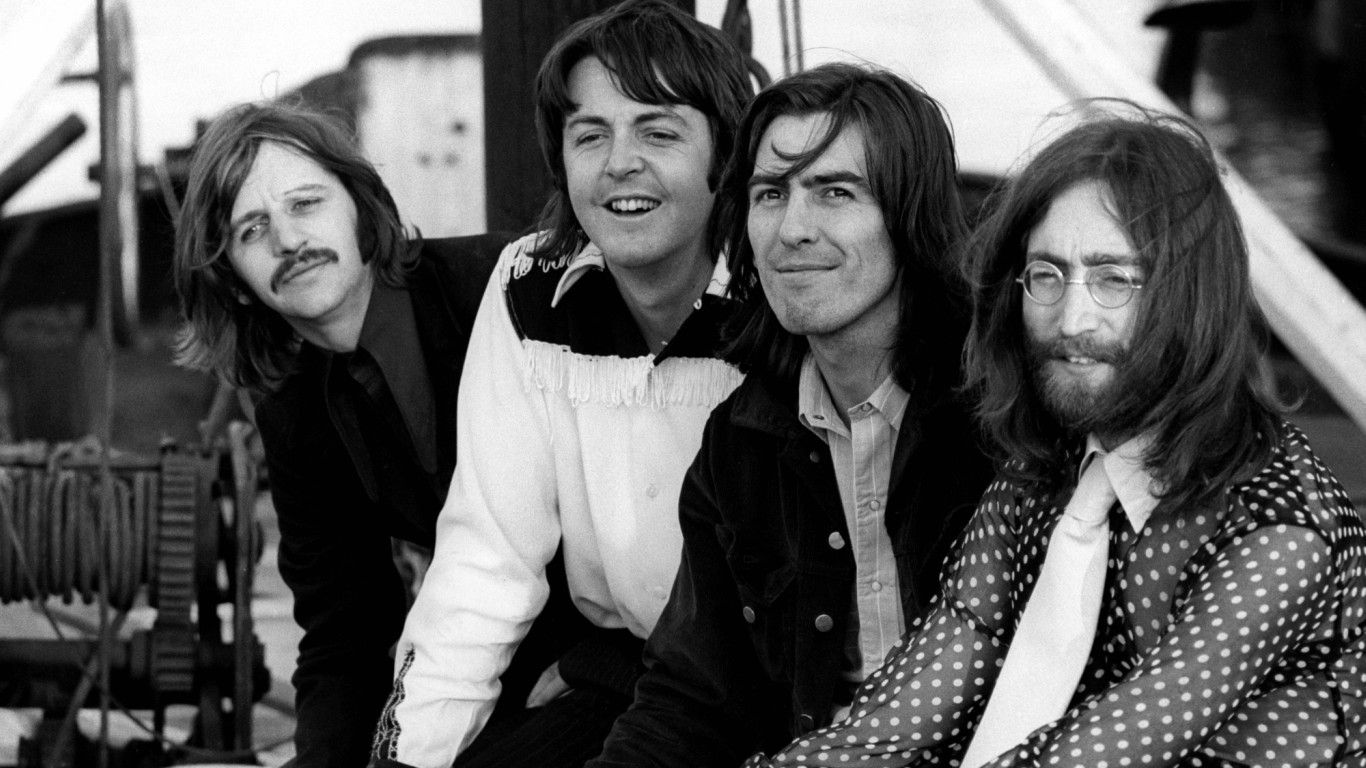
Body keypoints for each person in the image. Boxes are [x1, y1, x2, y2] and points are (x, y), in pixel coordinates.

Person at [746, 106, 1366, 767]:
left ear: (1188, 292)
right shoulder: (1042, 473)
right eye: (1047, 275)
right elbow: (906, 711)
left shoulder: (1279, 532)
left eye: (1113, 278)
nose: (1071, 318)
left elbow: (1098, 751)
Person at [367, 3, 754, 767]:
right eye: (590, 135)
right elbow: (487, 560)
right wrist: (405, 759)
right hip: (628, 677)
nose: (619, 161)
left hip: (767, 688)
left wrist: (619, 666)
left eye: (659, 131)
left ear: (726, 158)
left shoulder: (777, 295)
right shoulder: (529, 286)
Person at [587, 63, 994, 768]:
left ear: (909, 214)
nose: (793, 230)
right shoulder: (739, 443)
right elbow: (692, 696)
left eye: (835, 192)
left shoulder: (997, 419)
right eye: (771, 193)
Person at [172, 102, 541, 768]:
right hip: (490, 671)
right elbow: (346, 631)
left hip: (630, 654)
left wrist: (597, 662)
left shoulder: (502, 286)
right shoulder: (294, 408)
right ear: (236, 282)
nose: (287, 240)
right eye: (253, 229)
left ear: (360, 205)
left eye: (305, 204)